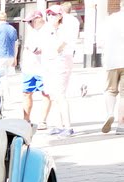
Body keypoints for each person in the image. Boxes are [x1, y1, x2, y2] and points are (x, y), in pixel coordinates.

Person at [42, 6, 74, 136]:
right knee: (54, 95)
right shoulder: (48, 29)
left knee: (60, 95)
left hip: (60, 63)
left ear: (60, 16)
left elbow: (62, 44)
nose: (50, 17)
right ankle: (59, 125)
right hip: (51, 64)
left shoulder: (63, 29)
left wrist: (56, 49)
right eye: (49, 14)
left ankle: (67, 126)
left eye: (53, 14)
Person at [21, 11, 51, 130]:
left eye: (30, 21)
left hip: (44, 68)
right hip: (29, 68)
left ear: (38, 18)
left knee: (46, 93)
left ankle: (43, 121)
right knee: (26, 93)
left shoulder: (49, 30)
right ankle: (26, 120)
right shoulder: (31, 32)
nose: (29, 24)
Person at [101, 9, 124, 133]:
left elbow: (100, 42)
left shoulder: (109, 19)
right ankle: (121, 125)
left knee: (110, 91)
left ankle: (110, 113)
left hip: (111, 61)